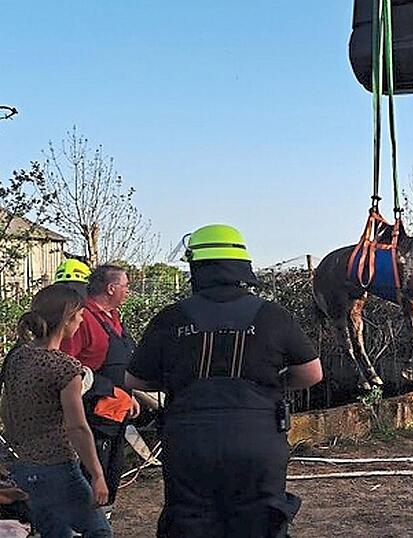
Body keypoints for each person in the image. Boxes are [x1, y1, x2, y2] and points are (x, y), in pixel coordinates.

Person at [126, 224, 324, 537]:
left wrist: (180, 384)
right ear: (243, 265)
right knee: (260, 524)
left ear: (196, 266)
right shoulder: (272, 314)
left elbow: (134, 378)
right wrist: (270, 385)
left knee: (190, 524)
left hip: (190, 442)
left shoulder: (171, 317)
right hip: (258, 439)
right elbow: (312, 373)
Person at [1, 284, 112, 537]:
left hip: (20, 465)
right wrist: (97, 474)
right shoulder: (65, 367)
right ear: (67, 319)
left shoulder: (17, 356)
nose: (82, 320)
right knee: (99, 531)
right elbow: (77, 427)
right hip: (57, 466)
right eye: (80, 315)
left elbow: (5, 407)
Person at [60, 264, 139, 519]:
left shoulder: (113, 318)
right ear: (111, 288)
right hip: (91, 416)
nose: (128, 291)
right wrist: (108, 389)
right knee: (92, 478)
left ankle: (103, 522)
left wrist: (130, 396)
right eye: (125, 286)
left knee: (112, 472)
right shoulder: (82, 319)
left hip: (116, 414)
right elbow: (67, 368)